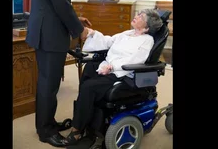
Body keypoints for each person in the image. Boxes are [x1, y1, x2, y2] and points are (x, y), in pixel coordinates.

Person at [25, 0, 91, 148]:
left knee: (49, 83)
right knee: (48, 84)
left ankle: (49, 122)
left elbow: (56, 1)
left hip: (48, 28)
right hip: (49, 34)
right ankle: (45, 132)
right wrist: (79, 29)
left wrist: (76, 18)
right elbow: (60, 4)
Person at [65, 9, 163, 145]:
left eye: (141, 16)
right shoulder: (128, 33)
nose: (136, 16)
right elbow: (109, 41)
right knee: (89, 69)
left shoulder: (147, 40)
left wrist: (112, 66)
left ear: (146, 27)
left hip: (122, 73)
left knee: (89, 87)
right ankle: (84, 115)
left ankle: (77, 129)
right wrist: (92, 33)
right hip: (109, 65)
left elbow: (136, 60)